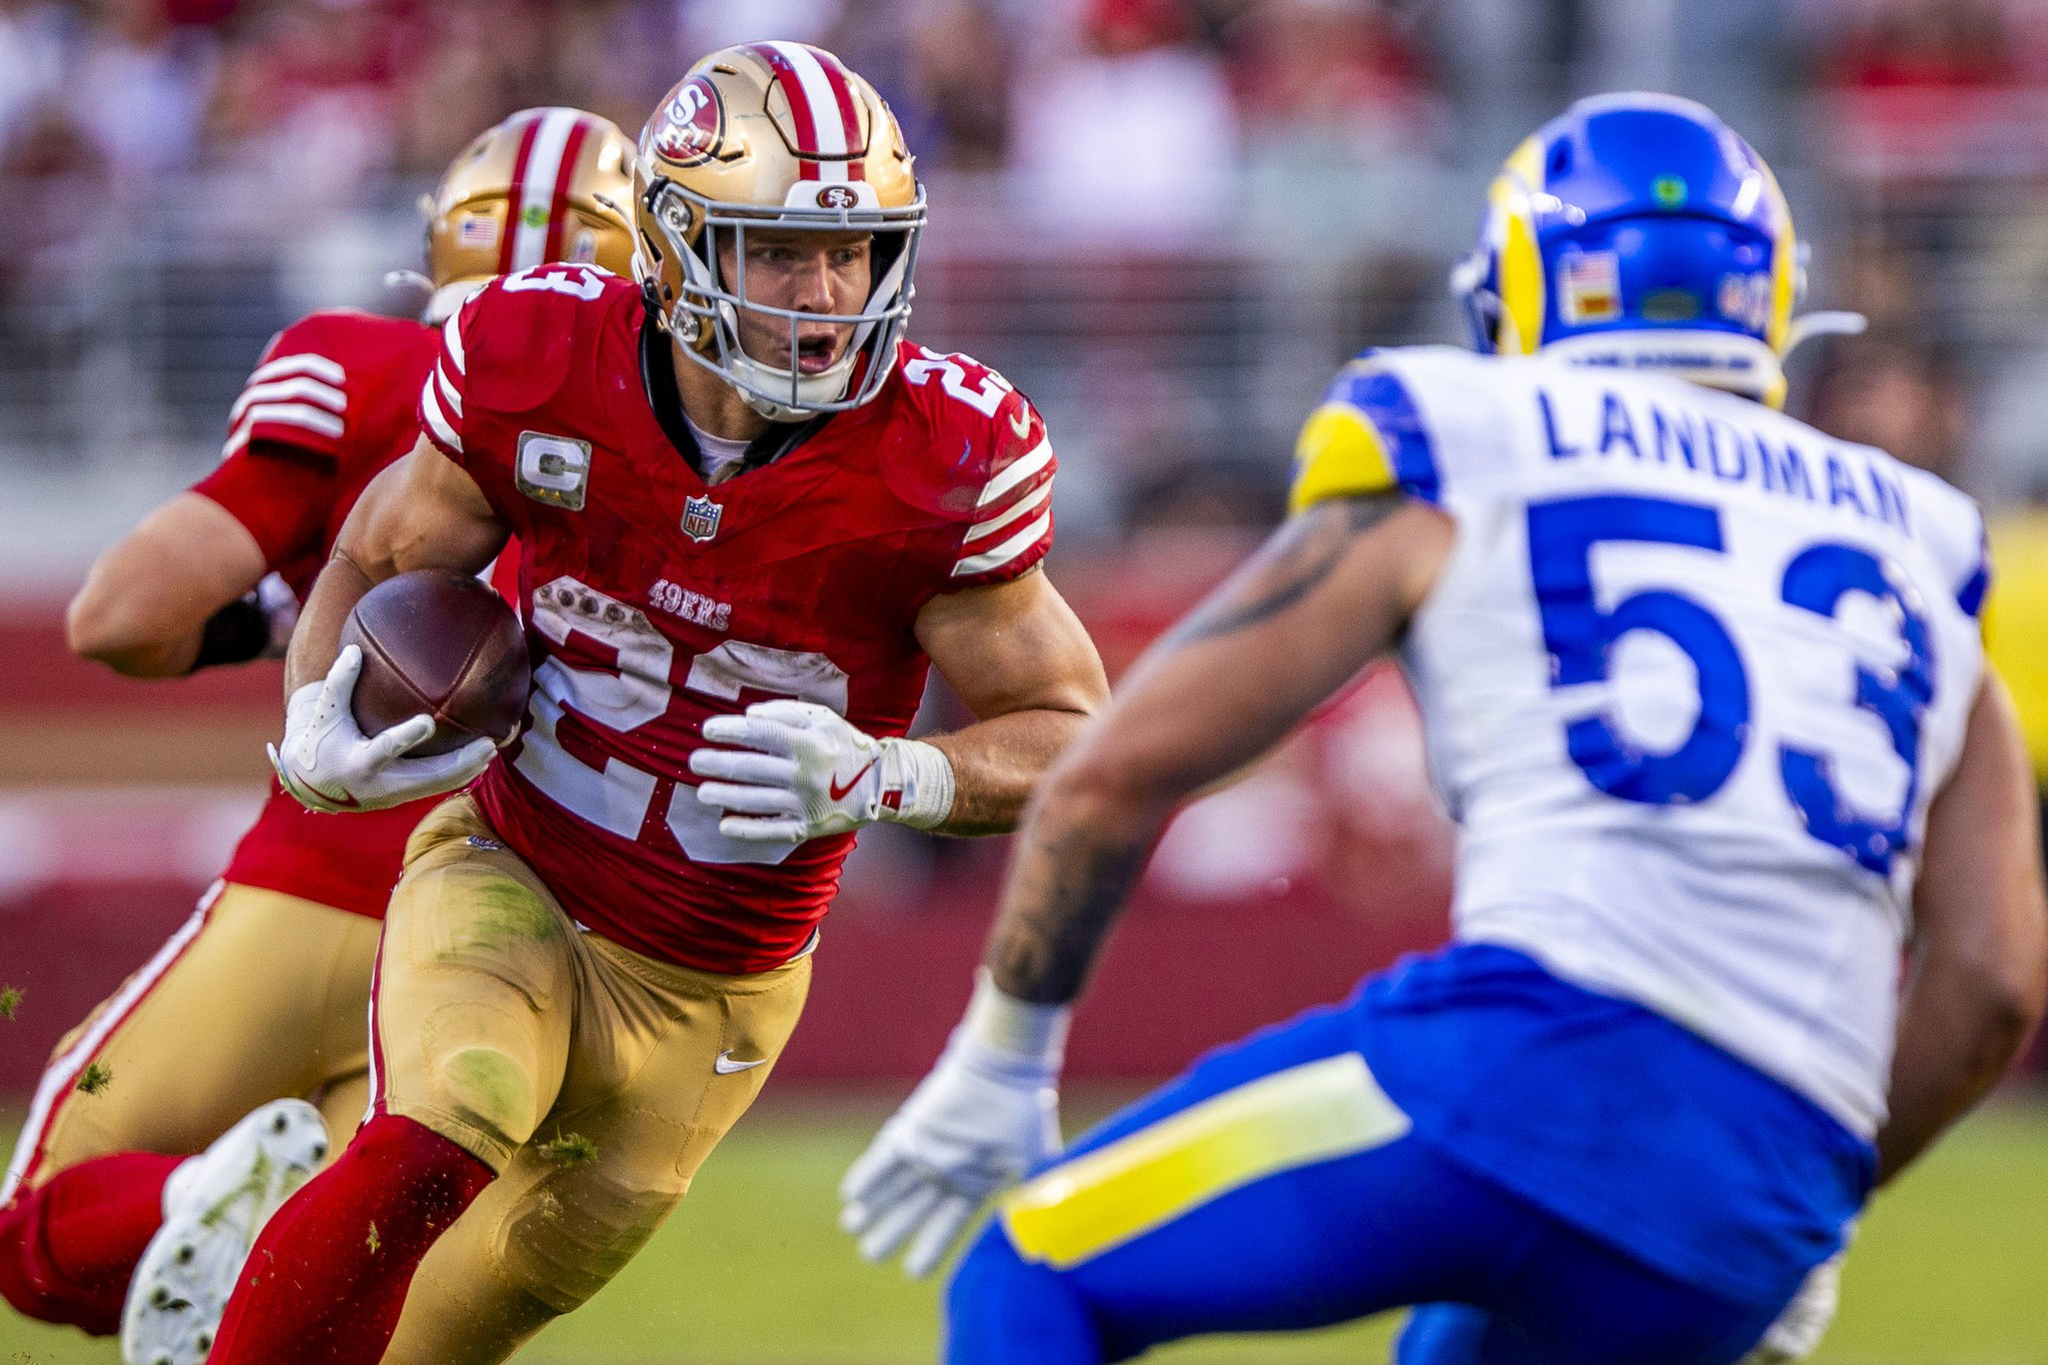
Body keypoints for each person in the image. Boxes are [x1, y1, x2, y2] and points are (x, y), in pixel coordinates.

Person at [843, 93, 2048, 1365]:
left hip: (1523, 1060)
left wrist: (1003, 1054)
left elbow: (1111, 774)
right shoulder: (1918, 535)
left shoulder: (1470, 431)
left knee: (1034, 1270)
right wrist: (1816, 1206)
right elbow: (1990, 978)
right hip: (1763, 1182)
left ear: (1531, 285)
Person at [201, 40, 1110, 1365]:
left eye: (855, 254)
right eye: (780, 251)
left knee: (458, 1322)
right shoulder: (539, 355)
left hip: (718, 981)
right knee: (444, 1124)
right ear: (677, 246)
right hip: (516, 869)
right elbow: (381, 554)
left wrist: (896, 776)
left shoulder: (939, 462)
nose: (827, 293)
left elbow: (1076, 732)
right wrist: (312, 709)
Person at [0, 106, 638, 1365]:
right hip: (528, 948)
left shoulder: (364, 366)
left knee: (37, 1235)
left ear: (446, 243)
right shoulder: (684, 434)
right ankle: (246, 1225)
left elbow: (122, 617)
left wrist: (292, 604)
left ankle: (201, 1203)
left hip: (316, 883)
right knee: (337, 1320)